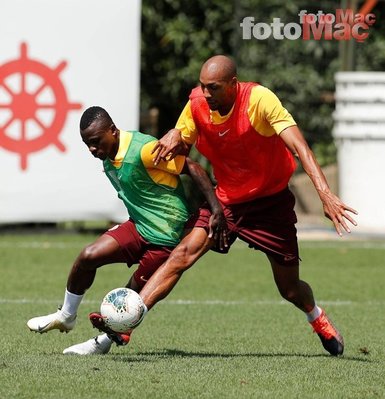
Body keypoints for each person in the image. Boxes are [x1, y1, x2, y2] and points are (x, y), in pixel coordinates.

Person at [137, 55, 358, 357]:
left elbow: (299, 146)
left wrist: (325, 194)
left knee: (290, 288)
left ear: (233, 84)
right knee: (182, 255)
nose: (205, 94)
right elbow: (182, 143)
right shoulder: (197, 106)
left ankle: (316, 316)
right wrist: (175, 137)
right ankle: (127, 323)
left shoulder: (259, 100)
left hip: (271, 202)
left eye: (213, 88)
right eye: (202, 87)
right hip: (227, 200)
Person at [27, 106, 227, 355]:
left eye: (96, 141)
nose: (92, 149)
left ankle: (101, 344)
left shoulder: (144, 150)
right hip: (138, 226)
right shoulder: (109, 154)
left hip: (165, 239)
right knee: (88, 256)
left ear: (112, 130)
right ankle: (66, 315)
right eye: (87, 144)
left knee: (130, 300)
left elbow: (194, 168)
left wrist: (216, 209)